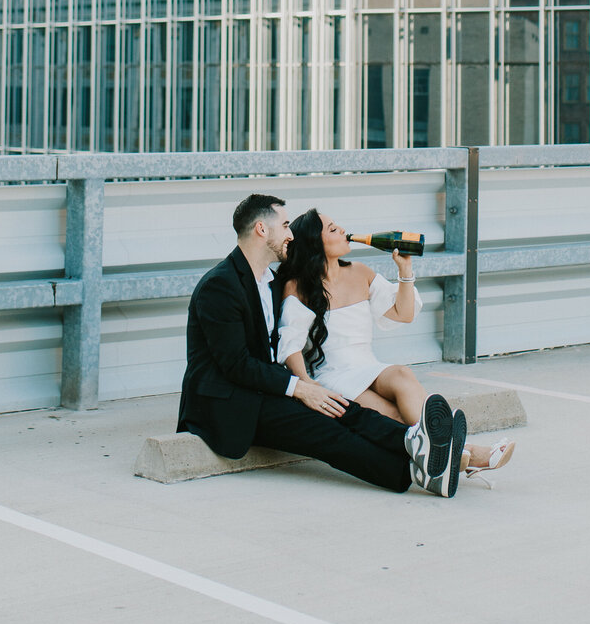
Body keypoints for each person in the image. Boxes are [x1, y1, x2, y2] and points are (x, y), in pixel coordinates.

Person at [177, 192, 468, 496]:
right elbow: (236, 365)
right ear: (262, 230)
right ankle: (413, 466)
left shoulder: (270, 282)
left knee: (344, 410)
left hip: (263, 390)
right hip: (228, 402)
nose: (291, 235)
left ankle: (413, 441)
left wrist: (300, 387)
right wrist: (301, 387)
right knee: (326, 431)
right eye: (285, 225)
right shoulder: (220, 285)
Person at [275, 209, 515, 481]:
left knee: (402, 373)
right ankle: (467, 453)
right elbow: (290, 343)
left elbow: (404, 313)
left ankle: (448, 457)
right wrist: (306, 385)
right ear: (314, 243)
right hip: (334, 376)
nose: (342, 230)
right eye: (332, 229)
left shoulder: (360, 272)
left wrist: (405, 270)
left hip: (367, 365)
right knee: (391, 413)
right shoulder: (298, 287)